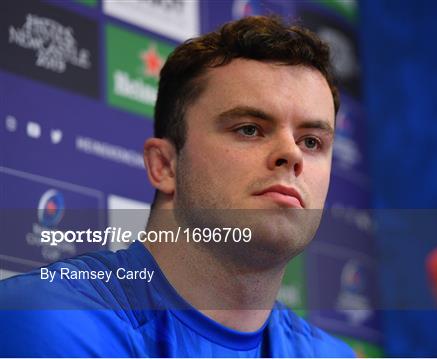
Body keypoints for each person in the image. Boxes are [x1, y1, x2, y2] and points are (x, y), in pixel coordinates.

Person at [0, 16, 354, 357]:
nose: (292, 155)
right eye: (249, 129)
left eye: (311, 142)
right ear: (165, 165)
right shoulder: (51, 320)